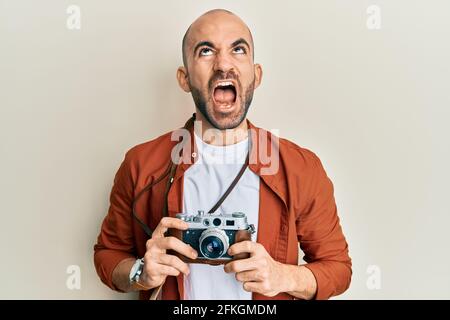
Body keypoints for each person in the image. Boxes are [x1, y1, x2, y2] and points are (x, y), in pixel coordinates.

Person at [94, 9, 351, 300]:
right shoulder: (141, 164)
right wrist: (140, 273)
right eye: (206, 51)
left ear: (256, 75)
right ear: (184, 77)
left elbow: (339, 269)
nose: (224, 64)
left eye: (238, 49)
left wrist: (284, 276)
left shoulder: (300, 167)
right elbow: (108, 255)